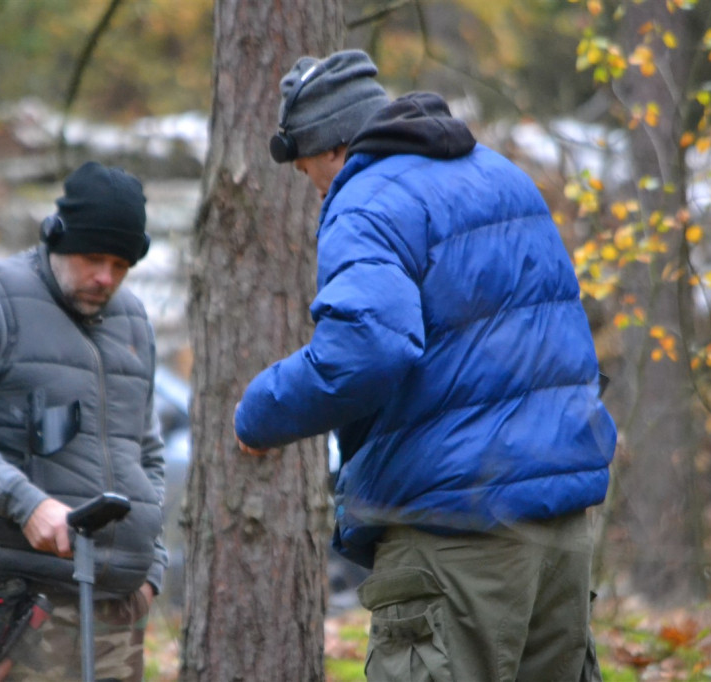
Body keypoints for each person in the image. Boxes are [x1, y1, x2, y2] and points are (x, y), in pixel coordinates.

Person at [235, 49, 617, 682]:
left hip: (457, 533)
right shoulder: (503, 177)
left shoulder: (365, 202)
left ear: (329, 147)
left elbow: (369, 347)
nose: (319, 191)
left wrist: (260, 411)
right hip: (560, 528)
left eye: (309, 173)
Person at [0, 161, 167, 682]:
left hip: (116, 611)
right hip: (14, 608)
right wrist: (27, 505)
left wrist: (151, 571)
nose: (106, 278)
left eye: (121, 265)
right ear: (56, 237)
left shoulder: (134, 320)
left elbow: (147, 455)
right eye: (94, 258)